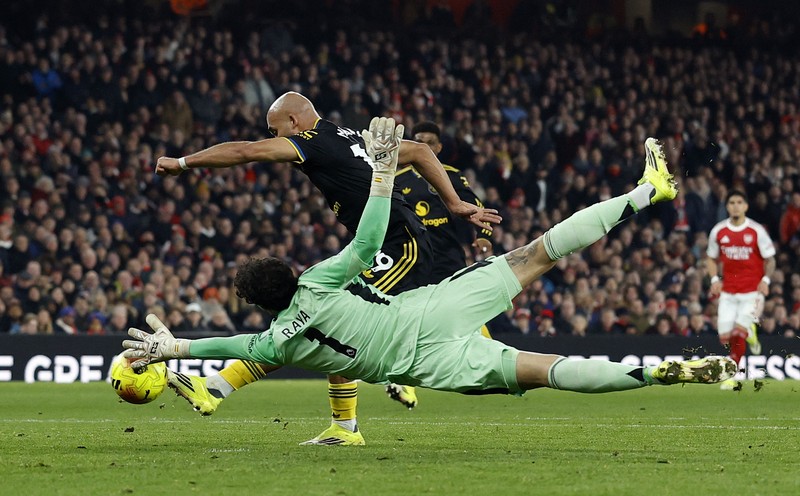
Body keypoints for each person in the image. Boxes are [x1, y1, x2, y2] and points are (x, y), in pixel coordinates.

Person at [125, 121, 736, 445]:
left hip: (429, 360)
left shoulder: (276, 341)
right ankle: (644, 192)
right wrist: (385, 172)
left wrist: (174, 347)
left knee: (543, 370)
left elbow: (230, 347)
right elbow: (366, 241)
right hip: (430, 308)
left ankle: (658, 372)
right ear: (288, 272)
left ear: (259, 305)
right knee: (538, 253)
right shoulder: (319, 278)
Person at [154, 93, 501, 445]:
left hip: (400, 244)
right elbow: (422, 152)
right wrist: (454, 203)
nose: (276, 139)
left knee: (323, 318)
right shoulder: (351, 136)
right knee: (322, 320)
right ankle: (332, 423)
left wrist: (182, 163)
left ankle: (222, 388)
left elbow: (245, 151)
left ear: (294, 122)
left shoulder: (313, 141)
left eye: (276, 131)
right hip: (387, 241)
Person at [386, 120, 495, 408]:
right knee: (410, 318)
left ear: (439, 147)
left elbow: (476, 206)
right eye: (418, 141)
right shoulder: (399, 178)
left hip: (449, 257)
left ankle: (492, 363)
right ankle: (403, 383)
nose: (424, 146)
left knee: (469, 310)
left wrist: (484, 237)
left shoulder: (450, 176)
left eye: (430, 142)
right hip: (414, 257)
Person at [706, 190, 776, 390]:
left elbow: (770, 259)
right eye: (731, 202)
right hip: (728, 292)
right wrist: (714, 279)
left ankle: (731, 375)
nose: (735, 205)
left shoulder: (756, 231)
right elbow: (710, 257)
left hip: (752, 292)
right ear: (727, 206)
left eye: (739, 202)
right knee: (725, 336)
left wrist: (766, 280)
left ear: (745, 206)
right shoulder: (719, 231)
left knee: (738, 332)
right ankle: (751, 333)